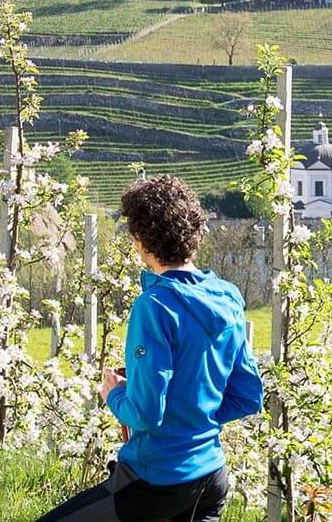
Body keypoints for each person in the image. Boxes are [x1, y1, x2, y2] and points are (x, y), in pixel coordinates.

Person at [35, 176, 264, 522]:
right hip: (211, 479)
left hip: (154, 482)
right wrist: (192, 420)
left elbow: (143, 414)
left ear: (140, 240)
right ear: (195, 233)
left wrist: (113, 394)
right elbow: (248, 396)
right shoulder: (228, 296)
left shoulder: (154, 306)